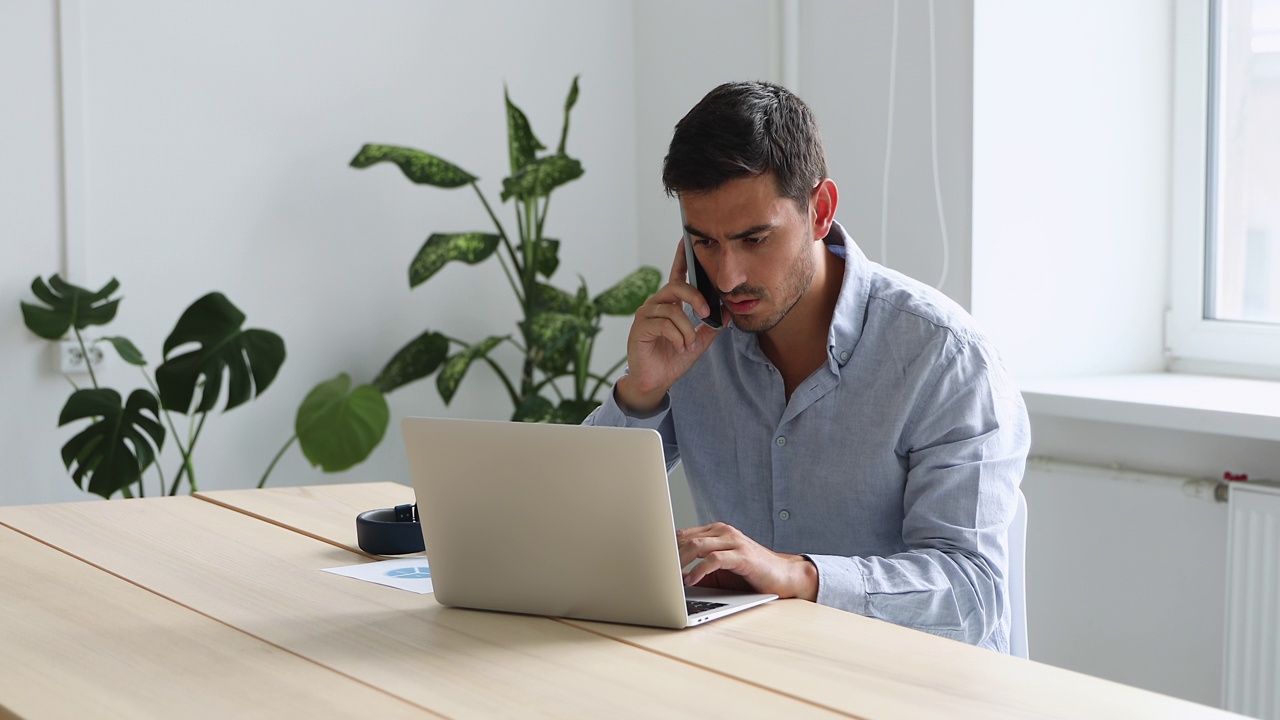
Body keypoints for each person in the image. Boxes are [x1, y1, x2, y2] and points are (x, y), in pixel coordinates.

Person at [583, 81, 1029, 652]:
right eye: (705, 242)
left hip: (912, 687)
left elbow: (974, 594)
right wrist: (642, 394)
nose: (727, 276)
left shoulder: (945, 358)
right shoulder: (694, 341)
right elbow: (576, 527)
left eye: (754, 238)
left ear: (820, 210)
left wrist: (802, 577)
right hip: (755, 672)